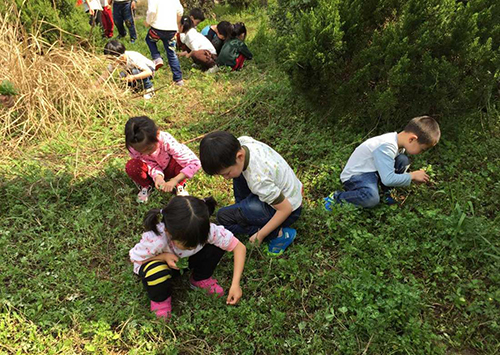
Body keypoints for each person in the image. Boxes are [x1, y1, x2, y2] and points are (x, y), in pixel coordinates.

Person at [129, 196, 247, 319]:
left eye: (198, 243)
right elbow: (136, 260)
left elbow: (239, 247)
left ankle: (200, 278)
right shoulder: (156, 240)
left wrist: (235, 284)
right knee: (154, 272)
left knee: (218, 245)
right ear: (168, 232)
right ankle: (160, 300)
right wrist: (163, 257)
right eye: (187, 245)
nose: (192, 247)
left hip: (185, 262)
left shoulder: (206, 230)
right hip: (164, 266)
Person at [200, 131, 303, 256]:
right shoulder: (243, 143)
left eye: (226, 173)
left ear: (239, 156)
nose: (225, 178)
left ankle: (279, 234)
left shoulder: (259, 180)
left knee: (223, 217)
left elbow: (285, 209)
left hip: (289, 210)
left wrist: (261, 235)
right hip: (291, 192)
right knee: (238, 175)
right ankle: (243, 210)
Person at [324, 116, 441, 209]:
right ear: (412, 139)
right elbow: (388, 178)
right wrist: (412, 176)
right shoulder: (387, 146)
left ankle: (387, 192)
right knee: (371, 198)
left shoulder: (397, 143)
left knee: (402, 160)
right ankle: (336, 198)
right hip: (357, 175)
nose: (421, 152)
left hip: (372, 171)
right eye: (422, 149)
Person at [124, 116, 201, 203]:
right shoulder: (133, 147)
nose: (146, 154)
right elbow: (148, 162)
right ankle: (146, 185)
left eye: (149, 149)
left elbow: (194, 163)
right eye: (141, 152)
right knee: (132, 166)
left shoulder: (166, 141)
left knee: (179, 160)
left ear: (157, 135)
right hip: (152, 170)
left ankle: (179, 185)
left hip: (171, 167)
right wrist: (158, 177)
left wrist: (175, 180)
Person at [145, 0, 184, 86]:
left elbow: (152, 11)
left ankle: (157, 57)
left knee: (149, 40)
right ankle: (178, 79)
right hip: (171, 30)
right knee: (172, 53)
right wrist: (176, 22)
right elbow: (180, 11)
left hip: (157, 28)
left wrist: (148, 22)